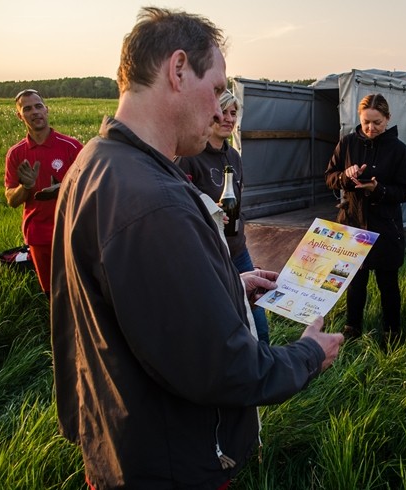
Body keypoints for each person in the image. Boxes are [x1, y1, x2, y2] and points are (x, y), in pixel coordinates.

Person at [50, 7, 344, 489]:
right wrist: (308, 355)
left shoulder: (95, 162)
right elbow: (221, 366)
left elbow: (139, 305)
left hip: (118, 439)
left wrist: (229, 283)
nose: (218, 109)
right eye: (218, 88)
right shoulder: (152, 202)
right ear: (179, 69)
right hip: (170, 461)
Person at [177, 89, 271, 343]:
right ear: (210, 113)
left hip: (239, 250)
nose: (229, 118)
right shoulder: (189, 157)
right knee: (221, 320)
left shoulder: (234, 156)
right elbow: (181, 206)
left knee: (258, 320)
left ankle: (266, 370)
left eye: (234, 113)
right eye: (223, 112)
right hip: (209, 253)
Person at [325, 93, 406, 343]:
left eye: (377, 122)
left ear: (388, 119)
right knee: (355, 283)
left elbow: (404, 191)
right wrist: (344, 177)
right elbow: (329, 175)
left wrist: (379, 190)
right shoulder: (348, 143)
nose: (371, 128)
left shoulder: (398, 150)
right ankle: (352, 329)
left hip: (386, 228)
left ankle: (392, 332)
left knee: (388, 284)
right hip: (352, 224)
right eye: (366, 122)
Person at [4, 89, 83, 295]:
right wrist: (25, 187)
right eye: (27, 108)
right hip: (38, 234)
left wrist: (62, 187)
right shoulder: (16, 153)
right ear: (20, 115)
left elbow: (92, 185)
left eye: (38, 106)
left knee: (79, 289)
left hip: (71, 230)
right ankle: (58, 327)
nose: (35, 112)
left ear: (46, 110)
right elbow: (11, 200)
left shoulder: (71, 146)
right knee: (51, 292)